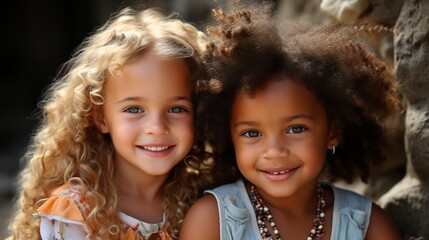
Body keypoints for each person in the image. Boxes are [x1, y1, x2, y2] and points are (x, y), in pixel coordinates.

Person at [180, 3, 403, 240]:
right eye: (252, 133)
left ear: (332, 131)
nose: (274, 151)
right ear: (229, 137)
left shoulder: (366, 225)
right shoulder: (212, 221)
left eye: (296, 129)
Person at [7, 7, 214, 240]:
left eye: (177, 109)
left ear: (198, 112)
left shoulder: (204, 201)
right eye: (134, 109)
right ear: (101, 118)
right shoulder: (76, 212)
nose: (156, 127)